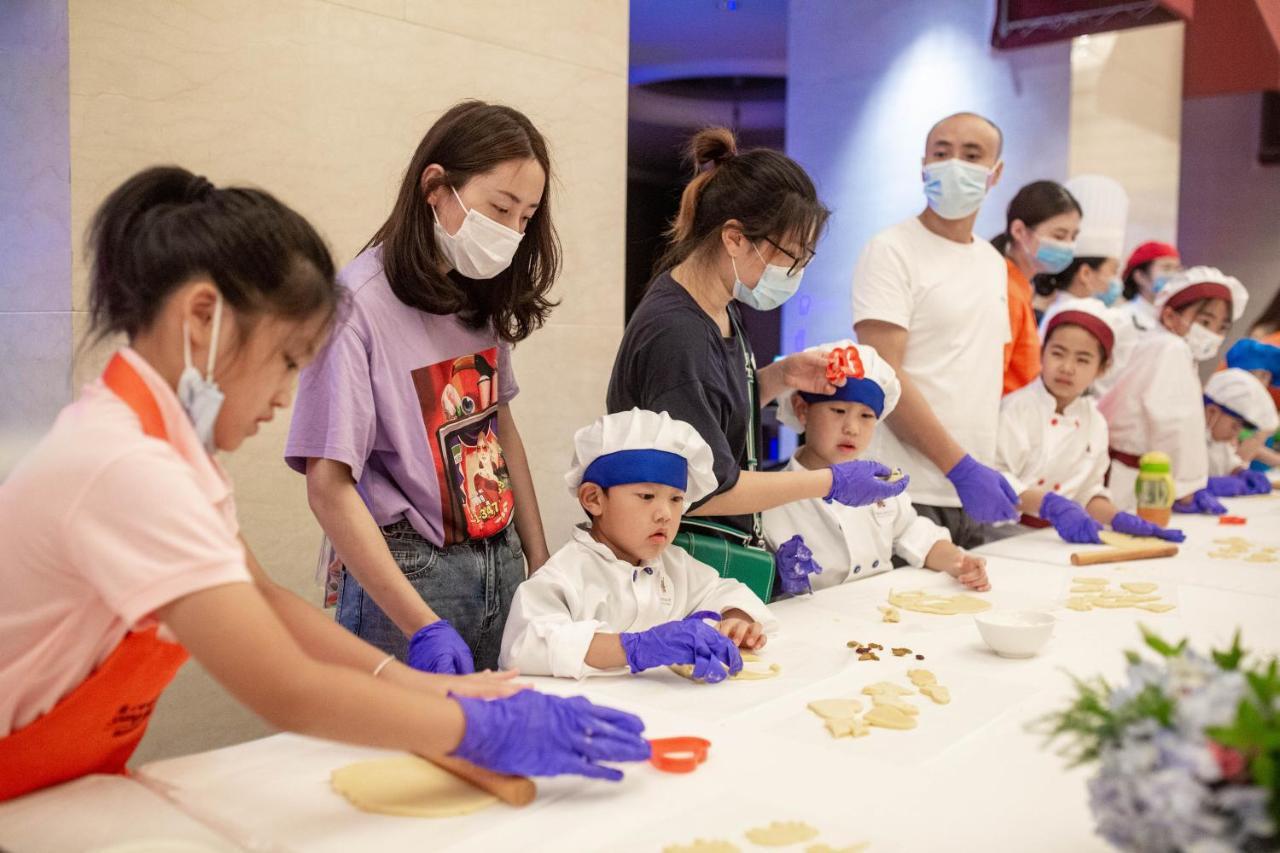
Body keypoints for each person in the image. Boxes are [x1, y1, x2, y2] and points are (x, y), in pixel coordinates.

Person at [0, 167, 650, 801]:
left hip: (54, 783)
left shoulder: (171, 453)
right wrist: (476, 725)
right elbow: (284, 686)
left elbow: (264, 600)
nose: (285, 396)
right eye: (286, 360)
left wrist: (419, 685)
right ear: (203, 315)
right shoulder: (126, 466)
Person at [288, 102, 557, 674]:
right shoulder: (354, 306)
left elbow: (497, 425)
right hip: (410, 577)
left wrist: (539, 560)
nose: (512, 233)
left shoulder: (475, 291)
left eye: (526, 217)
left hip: (499, 555)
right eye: (500, 208)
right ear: (436, 187)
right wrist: (423, 625)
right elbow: (328, 485)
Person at [607, 127, 909, 549]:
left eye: (805, 259)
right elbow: (704, 487)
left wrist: (780, 377)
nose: (795, 273)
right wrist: (828, 482)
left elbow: (710, 414)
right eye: (789, 256)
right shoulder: (677, 332)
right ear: (734, 237)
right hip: (668, 551)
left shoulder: (721, 306)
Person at [500, 410, 775, 680]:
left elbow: (726, 591)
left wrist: (736, 622)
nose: (665, 514)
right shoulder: (565, 574)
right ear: (594, 498)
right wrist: (637, 648)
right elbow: (527, 644)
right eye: (647, 496)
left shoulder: (674, 564)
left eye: (676, 499)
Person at [852, 112, 1017, 549]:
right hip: (906, 489)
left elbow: (978, 377)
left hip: (972, 491)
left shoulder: (992, 262)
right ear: (923, 163)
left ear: (995, 173)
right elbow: (884, 376)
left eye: (972, 154)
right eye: (942, 152)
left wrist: (984, 470)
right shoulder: (891, 250)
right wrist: (959, 466)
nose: (954, 164)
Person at [761, 342, 990, 595]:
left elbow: (916, 534)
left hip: (875, 616)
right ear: (802, 410)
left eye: (866, 416)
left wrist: (959, 562)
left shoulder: (880, 485)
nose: (852, 428)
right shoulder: (771, 499)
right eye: (838, 411)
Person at [996, 298, 1184, 544]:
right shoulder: (1015, 409)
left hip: (1057, 539)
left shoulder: (1095, 422)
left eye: (1082, 359)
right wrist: (1050, 506)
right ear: (1042, 354)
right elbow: (997, 481)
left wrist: (1117, 519)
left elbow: (1087, 493)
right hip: (1003, 536)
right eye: (1057, 353)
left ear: (1103, 368)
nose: (1067, 368)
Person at [1099, 267, 1248, 514]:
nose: (1212, 333)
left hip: (1140, 474)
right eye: (1204, 322)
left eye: (1221, 327)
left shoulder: (1167, 347)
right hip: (1134, 479)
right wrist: (1186, 489)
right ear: (1169, 317)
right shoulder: (1171, 348)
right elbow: (1173, 425)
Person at [990, 180, 1082, 394]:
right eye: (1059, 236)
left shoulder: (1020, 286)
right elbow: (992, 377)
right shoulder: (1005, 289)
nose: (1068, 245)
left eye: (1073, 237)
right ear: (1019, 231)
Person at [1200, 369, 1277, 496]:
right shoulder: (1184, 437)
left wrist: (1240, 472)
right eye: (1234, 426)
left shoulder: (1217, 439)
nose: (1236, 435)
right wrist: (1205, 487)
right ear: (1212, 412)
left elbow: (1229, 464)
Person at [1119, 240, 1182, 333]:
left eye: (1177, 269)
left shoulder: (1181, 319)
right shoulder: (1122, 318)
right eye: (1167, 268)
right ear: (1140, 276)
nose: (1174, 275)